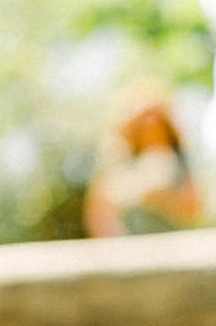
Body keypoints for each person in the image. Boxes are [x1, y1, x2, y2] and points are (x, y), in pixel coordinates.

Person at [83, 80, 203, 239]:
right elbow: (99, 211)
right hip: (133, 250)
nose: (150, 125)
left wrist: (162, 199)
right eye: (143, 120)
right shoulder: (119, 162)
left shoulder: (180, 159)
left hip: (174, 246)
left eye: (155, 119)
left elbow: (194, 207)